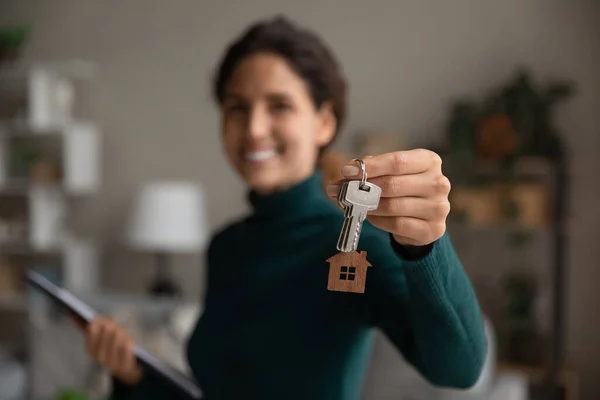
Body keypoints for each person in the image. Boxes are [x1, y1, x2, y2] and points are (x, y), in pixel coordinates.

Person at [78, 15, 487, 400]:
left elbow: (459, 370)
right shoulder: (226, 246)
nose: (254, 128)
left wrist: (425, 246)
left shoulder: (357, 245)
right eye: (237, 107)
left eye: (279, 106)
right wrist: (132, 377)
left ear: (324, 122)